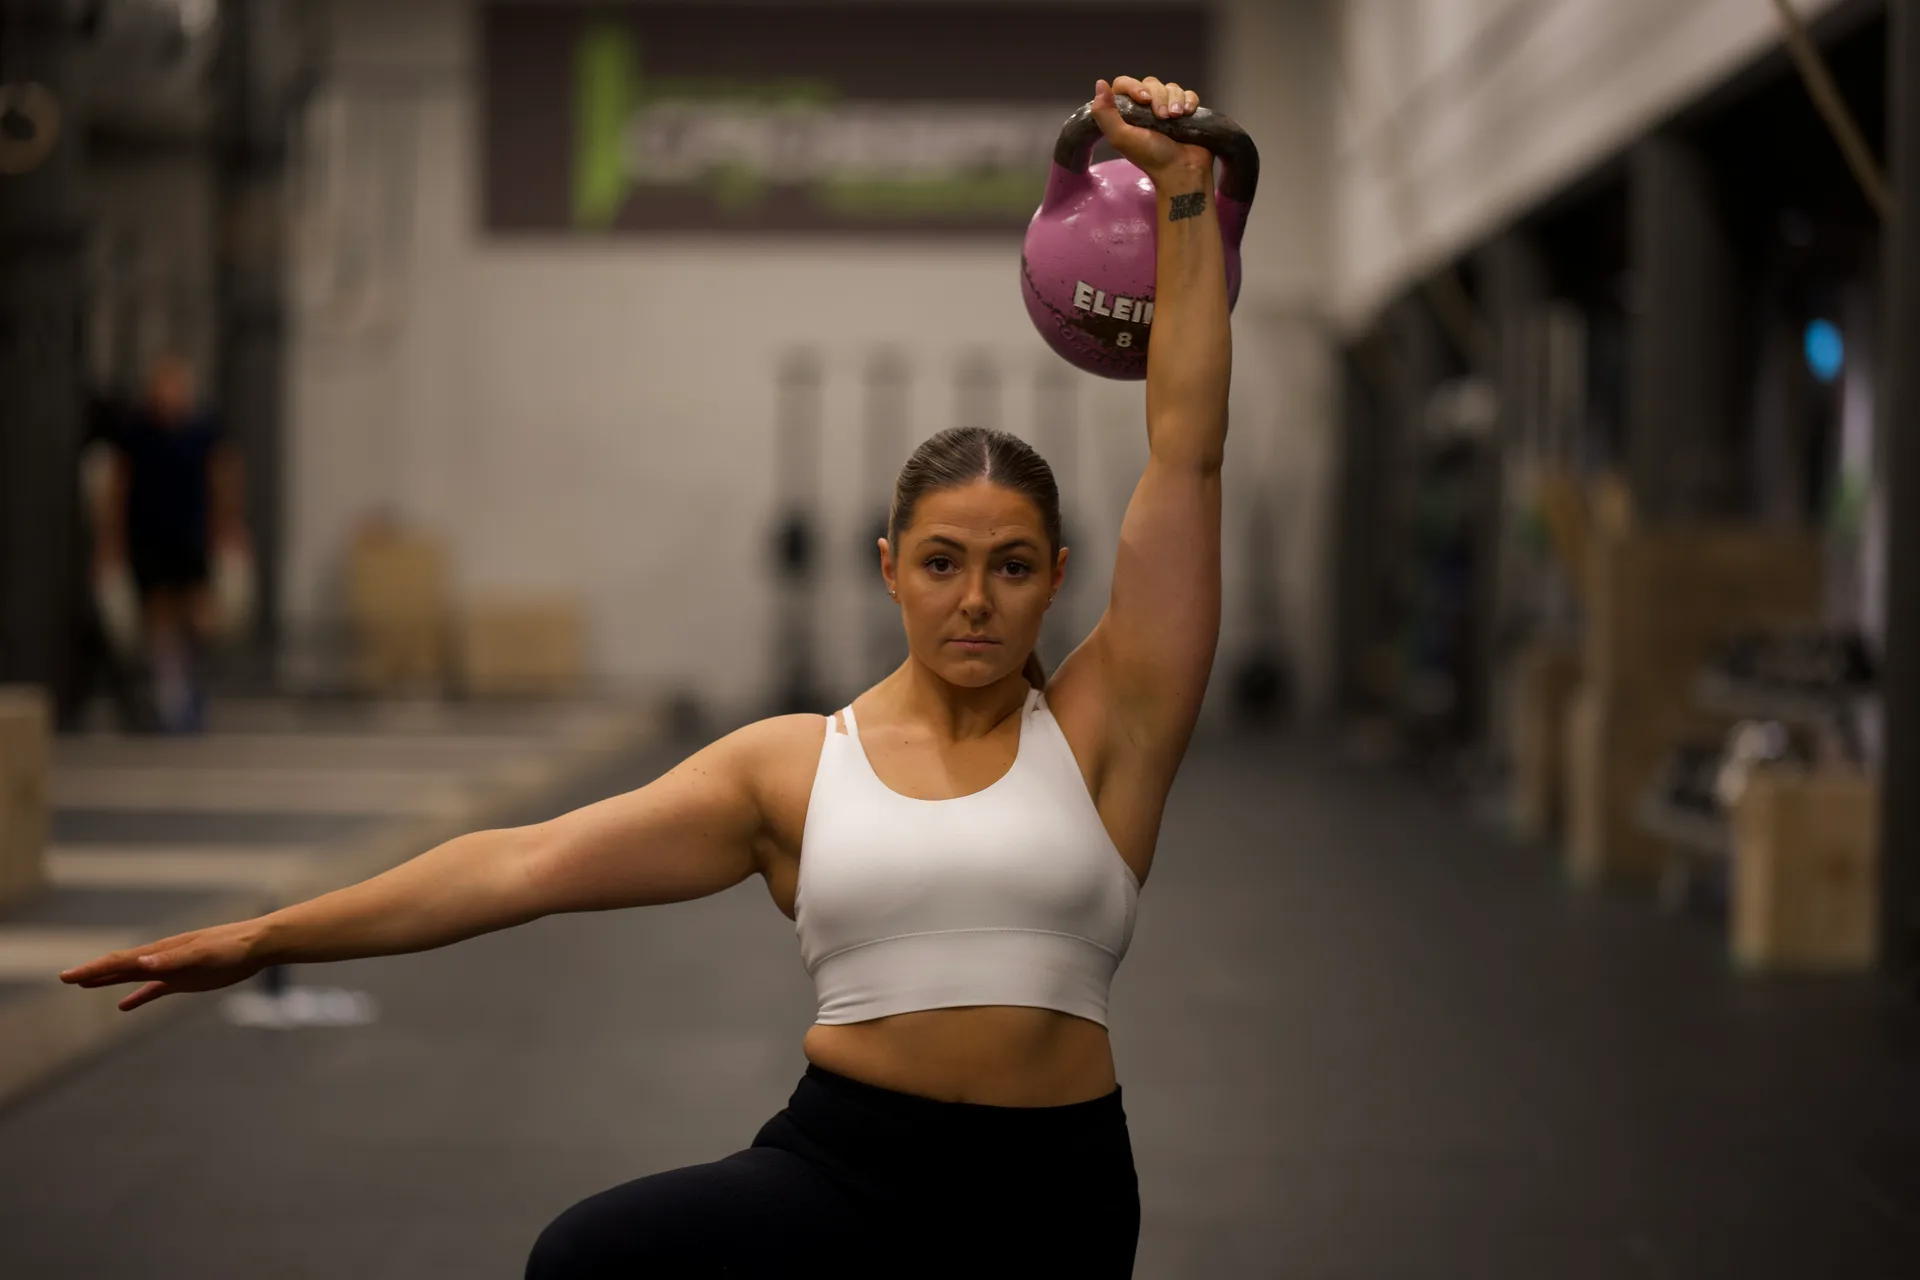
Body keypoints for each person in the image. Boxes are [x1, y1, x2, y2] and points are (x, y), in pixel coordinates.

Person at [60, 75, 1230, 1277]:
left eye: (1011, 564)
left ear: (1056, 577)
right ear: (889, 569)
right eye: (941, 561)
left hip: (1056, 1198)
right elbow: (523, 863)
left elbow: (1185, 452)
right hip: (842, 1171)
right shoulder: (790, 767)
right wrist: (267, 936)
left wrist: (1184, 192)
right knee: (590, 1259)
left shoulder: (1105, 729)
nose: (975, 596)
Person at [91, 351, 253, 732]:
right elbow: (117, 484)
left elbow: (225, 476)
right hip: (149, 532)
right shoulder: (136, 432)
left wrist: (230, 527)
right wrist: (111, 540)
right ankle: (171, 697)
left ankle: (194, 682)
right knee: (159, 617)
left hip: (192, 530)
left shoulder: (202, 430)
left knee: (198, 612)